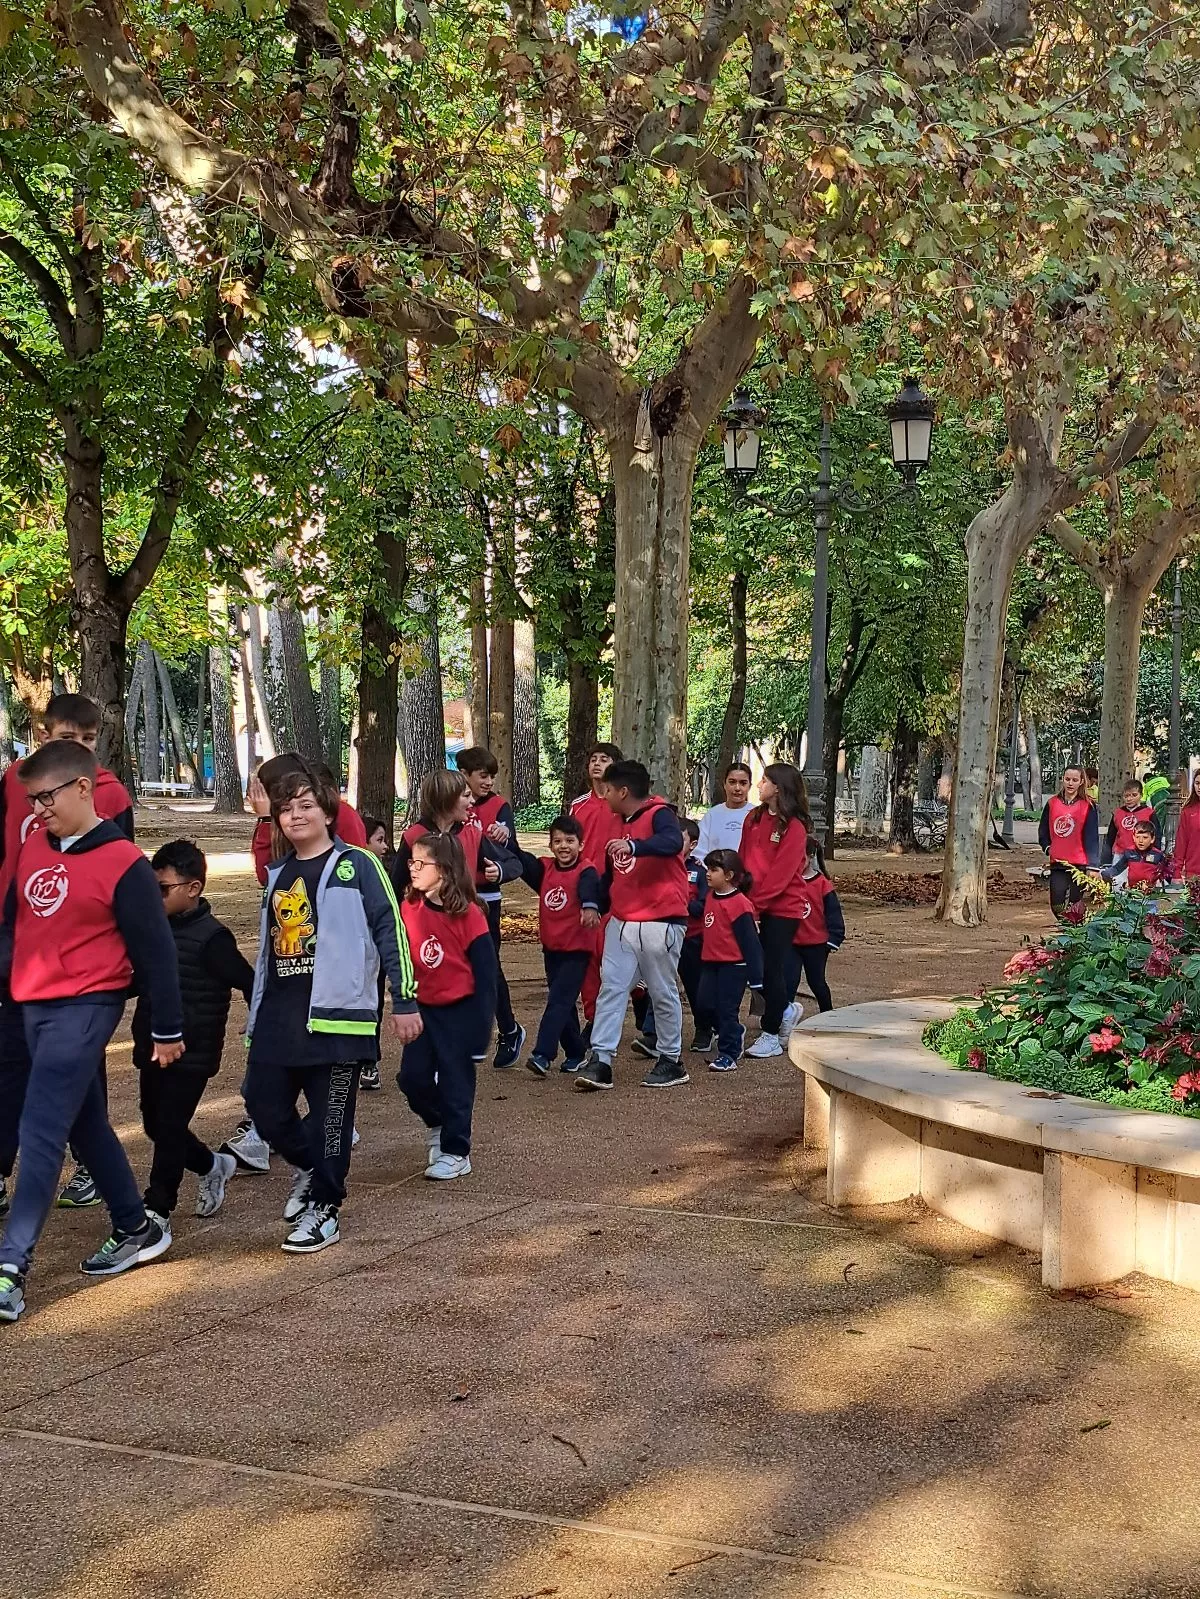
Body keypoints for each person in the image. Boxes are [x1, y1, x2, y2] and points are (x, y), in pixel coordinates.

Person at [0, 741, 182, 1324]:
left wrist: (168, 1027)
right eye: (32, 799)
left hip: (86, 1005)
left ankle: (10, 1268)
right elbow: (13, 924)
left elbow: (157, 954)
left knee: (40, 1128)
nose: (38, 810)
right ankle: (134, 1226)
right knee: (83, 1121)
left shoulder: (125, 862)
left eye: (46, 797)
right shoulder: (35, 844)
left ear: (83, 788)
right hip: (30, 1003)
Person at [243, 768, 421, 1254]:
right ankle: (309, 1168)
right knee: (262, 1105)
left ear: (327, 812)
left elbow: (390, 928)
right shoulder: (278, 873)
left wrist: (404, 999)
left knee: (331, 1120)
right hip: (279, 1016)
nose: (295, 816)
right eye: (286, 809)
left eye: (305, 806)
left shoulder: (358, 864)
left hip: (338, 1018)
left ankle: (324, 1206)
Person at [0, 692, 135, 1215]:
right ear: (42, 735)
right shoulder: (13, 783)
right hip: (18, 941)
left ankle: (89, 1166)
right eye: (66, 737)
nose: (79, 746)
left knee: (80, 1060)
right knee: (12, 1055)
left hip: (77, 952)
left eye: (87, 739)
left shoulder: (110, 794)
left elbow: (121, 871)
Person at [224, 755, 372, 1167]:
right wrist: (264, 823)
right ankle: (298, 1148)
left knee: (328, 1089)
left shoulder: (340, 826)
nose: (290, 811)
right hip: (289, 976)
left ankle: (324, 1163)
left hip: (333, 978)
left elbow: (357, 883)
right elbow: (267, 874)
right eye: (281, 804)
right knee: (268, 1087)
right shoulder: (283, 826)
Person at [135, 840, 255, 1230]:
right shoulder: (153, 929)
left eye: (163, 889)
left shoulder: (213, 939)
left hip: (193, 1052)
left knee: (169, 1126)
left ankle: (157, 1209)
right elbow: (135, 979)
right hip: (152, 1044)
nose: (155, 897)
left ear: (193, 888)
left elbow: (250, 981)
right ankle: (211, 1165)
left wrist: (257, 1022)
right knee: (154, 1124)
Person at [574, 760, 690, 1092]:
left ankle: (670, 1059)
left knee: (661, 991)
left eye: (609, 789)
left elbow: (672, 842)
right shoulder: (617, 823)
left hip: (661, 921)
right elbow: (612, 875)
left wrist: (635, 846)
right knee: (611, 988)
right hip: (623, 921)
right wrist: (595, 904)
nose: (605, 794)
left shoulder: (659, 814)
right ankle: (601, 1060)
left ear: (623, 791)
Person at [398, 831, 497, 1179]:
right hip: (423, 1009)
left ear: (443, 869)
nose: (412, 868)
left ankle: (456, 1151)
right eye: (411, 861)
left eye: (420, 862)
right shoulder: (409, 908)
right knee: (411, 1079)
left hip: (460, 1011)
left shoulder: (470, 916)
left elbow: (486, 977)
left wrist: (481, 1032)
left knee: (456, 1083)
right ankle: (438, 1123)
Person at [514, 815, 602, 1076]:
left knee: (558, 1000)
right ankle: (576, 1052)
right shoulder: (546, 869)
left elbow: (590, 889)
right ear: (551, 845)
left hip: (577, 949)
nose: (564, 846)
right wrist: (505, 839)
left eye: (570, 841)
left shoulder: (586, 870)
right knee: (562, 1002)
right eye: (558, 841)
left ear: (581, 844)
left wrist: (590, 906)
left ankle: (543, 1054)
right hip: (552, 949)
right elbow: (523, 860)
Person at [455, 747, 525, 1069]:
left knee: (488, 965)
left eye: (492, 777)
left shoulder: (498, 807)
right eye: (483, 776)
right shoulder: (451, 806)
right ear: (464, 774)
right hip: (451, 899)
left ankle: (508, 1029)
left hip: (486, 899)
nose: (488, 782)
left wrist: (504, 839)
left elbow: (511, 853)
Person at [738, 764, 811, 1058]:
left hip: (783, 908)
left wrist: (756, 906)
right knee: (754, 969)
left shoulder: (794, 827)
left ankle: (770, 1033)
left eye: (765, 780)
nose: (759, 785)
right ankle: (786, 1010)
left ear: (778, 788)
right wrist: (741, 896)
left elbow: (782, 875)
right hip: (752, 904)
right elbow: (743, 857)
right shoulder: (753, 818)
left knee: (771, 969)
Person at [633, 816, 708, 1058]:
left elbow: (704, 904)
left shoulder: (699, 871)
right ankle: (652, 1035)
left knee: (696, 988)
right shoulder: (659, 867)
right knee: (659, 985)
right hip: (662, 934)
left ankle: (704, 1029)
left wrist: (680, 904)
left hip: (692, 938)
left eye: (680, 839)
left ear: (692, 844)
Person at [247, 754, 367, 886]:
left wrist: (266, 820)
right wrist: (266, 820)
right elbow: (267, 875)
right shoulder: (284, 818)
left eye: (261, 792)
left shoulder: (340, 812)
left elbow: (357, 868)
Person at [697, 850, 763, 1073]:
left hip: (733, 966)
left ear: (729, 875)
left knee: (727, 1009)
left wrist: (756, 977)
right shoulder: (710, 896)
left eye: (714, 870)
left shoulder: (739, 904)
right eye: (708, 869)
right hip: (710, 963)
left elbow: (750, 943)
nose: (708, 874)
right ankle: (734, 1032)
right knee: (704, 1004)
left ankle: (729, 1053)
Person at [1038, 766, 1099, 918]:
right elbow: (1043, 830)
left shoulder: (1088, 805)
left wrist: (1093, 866)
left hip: (1080, 863)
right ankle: (1066, 924)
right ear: (1062, 780)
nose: (1070, 783)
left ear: (1081, 782)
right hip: (1058, 862)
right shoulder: (1052, 803)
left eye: (1075, 780)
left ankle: (1072, 929)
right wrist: (1048, 848)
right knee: (1056, 903)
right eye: (1067, 779)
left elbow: (1092, 837)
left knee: (1074, 904)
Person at [791, 846, 845, 1014]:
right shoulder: (788, 881)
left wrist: (833, 940)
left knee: (817, 982)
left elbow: (834, 914)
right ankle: (784, 1017)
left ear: (811, 856)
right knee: (788, 982)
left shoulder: (823, 884)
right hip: (791, 943)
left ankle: (827, 1014)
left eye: (801, 857)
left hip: (817, 945)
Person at [696, 762, 754, 858]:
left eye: (743, 783)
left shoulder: (757, 814)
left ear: (749, 786)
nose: (737, 788)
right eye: (732, 782)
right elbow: (699, 849)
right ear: (724, 784)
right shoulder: (712, 815)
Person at [1102, 819, 1172, 892]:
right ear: (1133, 837)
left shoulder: (1158, 855)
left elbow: (1166, 874)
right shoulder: (1129, 852)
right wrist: (1104, 874)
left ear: (1152, 839)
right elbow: (1117, 868)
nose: (1140, 841)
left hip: (1151, 893)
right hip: (1132, 892)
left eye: (1145, 837)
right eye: (1138, 837)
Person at [1105, 777, 1160, 863]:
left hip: (1142, 854)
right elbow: (1110, 838)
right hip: (1120, 854)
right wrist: (1105, 859)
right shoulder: (1117, 813)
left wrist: (1155, 855)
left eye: (1134, 795)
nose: (1129, 799)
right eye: (1126, 796)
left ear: (1141, 795)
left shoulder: (1149, 813)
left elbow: (1157, 836)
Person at [1174, 770, 1200, 881]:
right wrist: (1177, 871)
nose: (1199, 787)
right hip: (1193, 874)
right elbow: (1181, 842)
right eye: (1197, 783)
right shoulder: (1188, 811)